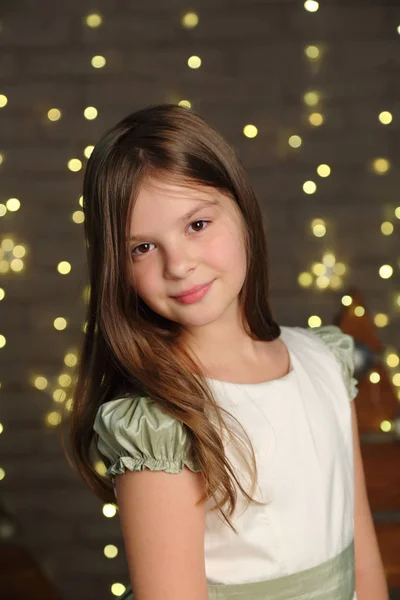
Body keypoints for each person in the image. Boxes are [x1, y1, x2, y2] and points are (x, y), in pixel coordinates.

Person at [67, 104, 388, 600]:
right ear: (118, 266)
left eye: (196, 225)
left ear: (241, 209)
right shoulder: (164, 424)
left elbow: (362, 556)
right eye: (143, 248)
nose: (179, 264)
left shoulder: (325, 363)